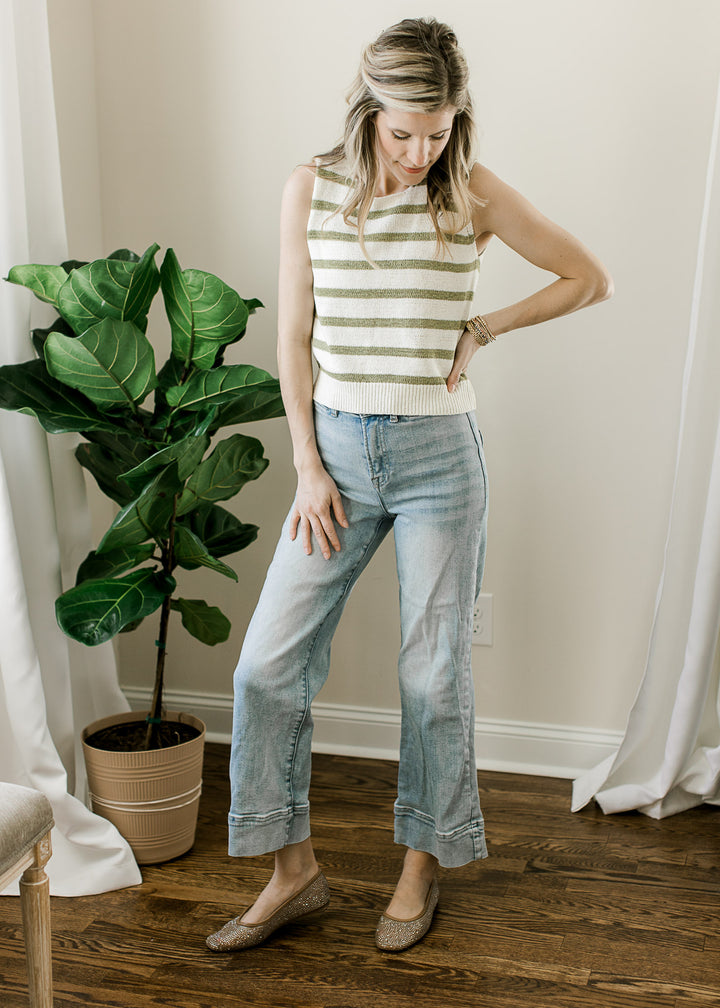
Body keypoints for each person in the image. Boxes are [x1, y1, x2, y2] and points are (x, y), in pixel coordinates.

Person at [206, 16, 612, 954]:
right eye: (404, 133)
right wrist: (308, 467)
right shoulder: (312, 186)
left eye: (438, 130)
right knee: (267, 666)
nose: (422, 150)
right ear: (368, 110)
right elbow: (293, 338)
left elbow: (590, 277)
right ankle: (293, 874)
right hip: (337, 456)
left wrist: (487, 327)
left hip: (440, 460)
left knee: (434, 678)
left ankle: (420, 871)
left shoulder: (470, 191)